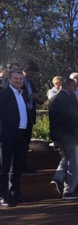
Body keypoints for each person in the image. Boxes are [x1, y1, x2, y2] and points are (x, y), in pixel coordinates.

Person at [49, 78, 78, 200]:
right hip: (69, 136)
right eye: (74, 87)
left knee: (66, 157)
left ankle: (58, 178)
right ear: (67, 86)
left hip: (58, 136)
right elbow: (73, 118)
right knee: (74, 164)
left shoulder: (54, 98)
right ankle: (69, 191)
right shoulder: (68, 99)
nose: (75, 89)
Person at [0, 70, 32, 207]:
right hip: (7, 135)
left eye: (21, 79)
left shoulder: (23, 94)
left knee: (18, 165)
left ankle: (15, 193)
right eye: (16, 78)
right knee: (4, 166)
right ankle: (3, 196)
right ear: (9, 79)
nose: (19, 81)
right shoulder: (4, 94)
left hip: (22, 135)